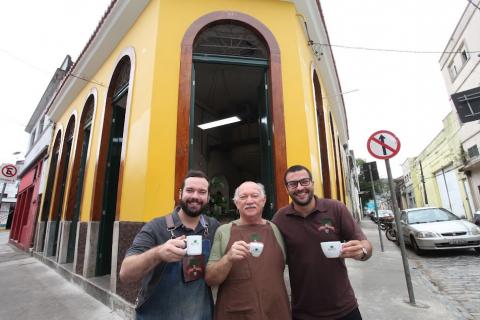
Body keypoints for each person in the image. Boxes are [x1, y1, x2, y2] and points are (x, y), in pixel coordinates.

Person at [273, 165, 372, 320]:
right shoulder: (280, 218)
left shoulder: (335, 208)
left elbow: (365, 244)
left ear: (312, 183)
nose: (299, 188)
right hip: (303, 312)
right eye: (293, 184)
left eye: (304, 182)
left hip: (344, 308)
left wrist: (362, 252)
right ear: (287, 188)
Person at [119, 170, 220, 320]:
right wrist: (158, 253)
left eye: (202, 192)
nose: (195, 196)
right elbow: (126, 273)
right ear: (180, 194)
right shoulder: (155, 227)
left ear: (208, 197)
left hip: (200, 315)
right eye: (190, 190)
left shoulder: (213, 228)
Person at [205, 181, 291, 320]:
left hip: (276, 312)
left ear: (263, 201)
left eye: (255, 196)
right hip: (236, 313)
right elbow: (210, 278)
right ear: (236, 203)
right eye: (243, 197)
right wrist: (228, 259)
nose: (249, 201)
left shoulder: (275, 229)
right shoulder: (224, 231)